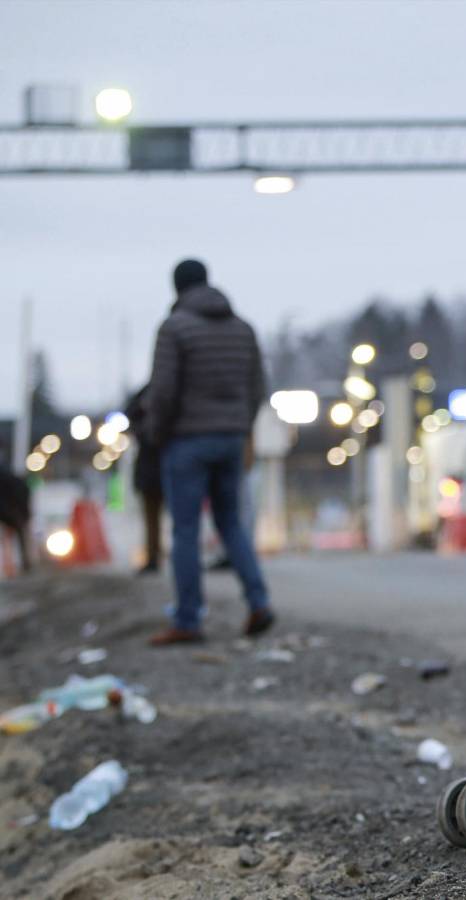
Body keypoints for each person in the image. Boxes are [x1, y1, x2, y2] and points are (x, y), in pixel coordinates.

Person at [144, 259, 275, 644]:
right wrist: (241, 426)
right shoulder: (242, 328)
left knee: (185, 530)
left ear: (176, 288)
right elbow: (257, 386)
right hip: (231, 437)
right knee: (231, 523)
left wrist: (157, 432)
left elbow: (163, 390)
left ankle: (187, 619)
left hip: (186, 439)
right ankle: (259, 602)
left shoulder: (174, 328)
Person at [125, 385, 163, 575]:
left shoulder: (144, 396)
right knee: (183, 519)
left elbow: (129, 412)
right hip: (163, 462)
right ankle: (155, 555)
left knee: (152, 517)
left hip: (153, 465)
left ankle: (154, 556)